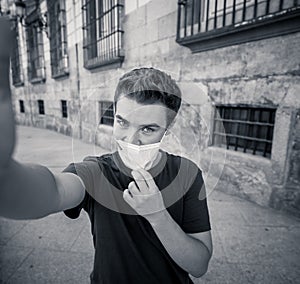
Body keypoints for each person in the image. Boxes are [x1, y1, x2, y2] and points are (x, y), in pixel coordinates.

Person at [0, 17, 212, 284]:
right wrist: (5, 174)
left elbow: (200, 264)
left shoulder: (187, 174)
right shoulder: (96, 171)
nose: (130, 139)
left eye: (147, 129)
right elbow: (52, 192)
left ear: (166, 132)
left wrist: (157, 214)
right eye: (122, 122)